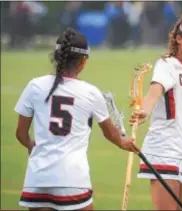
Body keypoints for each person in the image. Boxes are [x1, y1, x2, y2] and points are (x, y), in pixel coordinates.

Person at [14, 28, 140, 211]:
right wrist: (123, 142)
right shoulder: (90, 93)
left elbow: (20, 134)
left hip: (37, 180)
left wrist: (32, 147)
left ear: (57, 57)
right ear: (83, 62)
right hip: (72, 181)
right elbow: (110, 133)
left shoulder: (34, 86)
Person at [129, 9, 182, 210]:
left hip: (179, 152)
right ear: (178, 38)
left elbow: (179, 110)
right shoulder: (167, 64)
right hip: (164, 149)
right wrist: (145, 111)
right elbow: (154, 92)